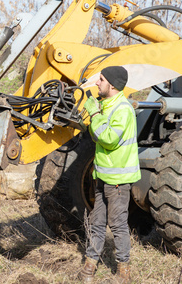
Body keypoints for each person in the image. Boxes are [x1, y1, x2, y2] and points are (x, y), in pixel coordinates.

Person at [80, 66, 140, 284]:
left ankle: (124, 271)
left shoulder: (122, 109)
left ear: (112, 85)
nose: (97, 83)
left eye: (101, 79)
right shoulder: (107, 105)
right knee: (96, 222)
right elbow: (98, 136)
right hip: (103, 175)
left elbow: (107, 139)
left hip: (118, 181)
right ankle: (89, 265)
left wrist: (95, 114)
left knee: (117, 224)